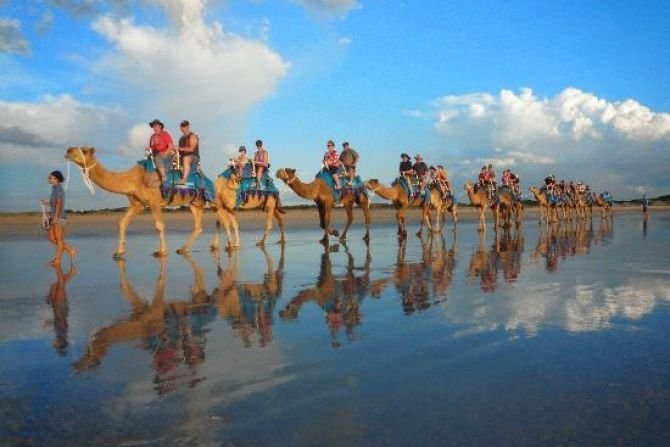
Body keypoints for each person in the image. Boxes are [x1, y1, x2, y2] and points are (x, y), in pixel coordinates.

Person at [41, 171, 77, 266]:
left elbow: (59, 203)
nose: (48, 179)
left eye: (50, 177)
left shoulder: (59, 189)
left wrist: (55, 217)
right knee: (51, 238)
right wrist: (46, 203)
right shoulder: (54, 189)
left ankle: (57, 260)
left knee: (59, 239)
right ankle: (71, 250)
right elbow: (54, 204)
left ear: (56, 179)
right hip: (53, 216)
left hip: (59, 217)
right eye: (49, 177)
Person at [177, 120, 199, 184]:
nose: (183, 128)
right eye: (182, 126)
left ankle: (184, 179)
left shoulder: (192, 136)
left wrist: (179, 148)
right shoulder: (181, 139)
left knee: (186, 158)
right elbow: (180, 151)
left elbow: (192, 149)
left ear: (188, 127)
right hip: (183, 158)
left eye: (184, 126)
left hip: (193, 157)